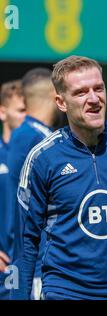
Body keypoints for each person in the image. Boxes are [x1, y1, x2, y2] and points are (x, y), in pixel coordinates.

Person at [13, 55, 107, 300]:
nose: (94, 99)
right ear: (61, 102)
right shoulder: (43, 157)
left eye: (99, 88)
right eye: (81, 92)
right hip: (64, 292)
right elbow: (25, 243)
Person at [7, 68, 58, 300]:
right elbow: (18, 203)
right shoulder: (32, 138)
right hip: (39, 269)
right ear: (54, 94)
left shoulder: (40, 135)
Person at [0, 80, 26, 299]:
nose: (26, 117)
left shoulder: (38, 156)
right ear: (2, 112)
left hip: (28, 265)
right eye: (21, 110)